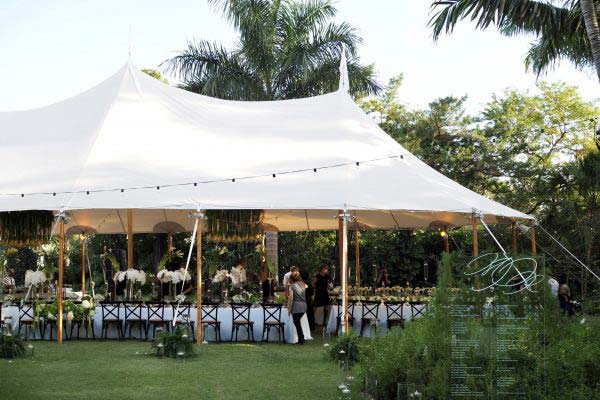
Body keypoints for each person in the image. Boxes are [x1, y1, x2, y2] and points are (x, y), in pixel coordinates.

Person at [287, 271, 307, 344]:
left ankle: (301, 339)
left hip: (296, 306)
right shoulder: (303, 285)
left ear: (291, 279)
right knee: (298, 323)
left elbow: (291, 298)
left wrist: (289, 309)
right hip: (304, 306)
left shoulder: (292, 286)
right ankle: (301, 338)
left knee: (297, 323)